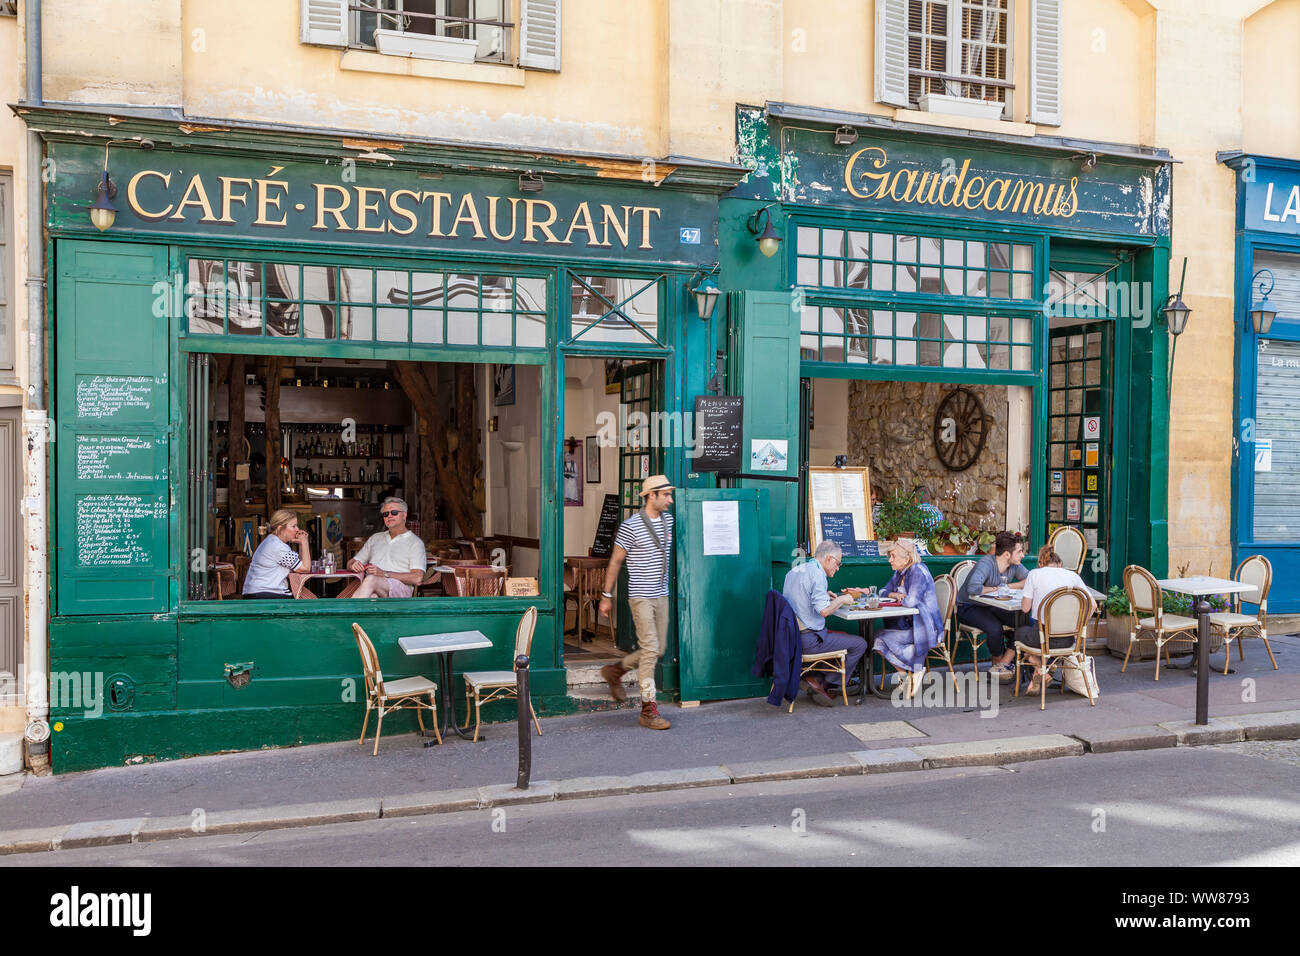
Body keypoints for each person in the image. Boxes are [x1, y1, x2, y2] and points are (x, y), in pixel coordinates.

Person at [598, 476, 676, 730]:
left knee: (659, 648)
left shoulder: (669, 521)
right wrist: (606, 596)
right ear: (651, 495)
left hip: (661, 593)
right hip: (640, 595)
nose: (670, 500)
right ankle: (648, 709)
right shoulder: (630, 527)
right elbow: (615, 562)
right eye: (665, 494)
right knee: (650, 648)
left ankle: (616, 671)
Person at [780, 540, 868, 706]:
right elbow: (824, 612)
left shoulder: (796, 570)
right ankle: (823, 684)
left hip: (791, 638)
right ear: (828, 559)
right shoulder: (818, 575)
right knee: (859, 644)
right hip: (809, 640)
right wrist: (842, 599)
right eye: (838, 562)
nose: (838, 567)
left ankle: (815, 678)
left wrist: (824, 596)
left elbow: (802, 597)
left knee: (841, 637)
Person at [1015, 546, 1096, 693]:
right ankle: (1041, 672)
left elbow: (1025, 609)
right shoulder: (1073, 576)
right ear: (1060, 564)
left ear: (1040, 564)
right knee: (1035, 633)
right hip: (1069, 639)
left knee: (1020, 633)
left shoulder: (1035, 574)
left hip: (1043, 638)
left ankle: (1040, 669)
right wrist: (1080, 626)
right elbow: (1093, 605)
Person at [874, 538, 945, 697]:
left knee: (879, 638)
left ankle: (916, 670)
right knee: (876, 638)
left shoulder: (918, 571)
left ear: (907, 558)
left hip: (926, 628)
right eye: (889, 556)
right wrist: (894, 594)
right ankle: (907, 675)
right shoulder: (900, 573)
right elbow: (882, 592)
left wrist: (900, 597)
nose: (890, 560)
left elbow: (911, 601)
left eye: (893, 556)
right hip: (910, 625)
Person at [956, 531, 1028, 680]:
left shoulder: (1014, 565)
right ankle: (997, 660)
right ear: (1007, 554)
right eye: (1019, 551)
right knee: (995, 628)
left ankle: (1003, 664)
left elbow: (1030, 580)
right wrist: (994, 589)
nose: (1022, 555)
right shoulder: (986, 563)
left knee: (1025, 622)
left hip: (993, 606)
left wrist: (1008, 587)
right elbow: (973, 588)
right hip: (968, 606)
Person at [345, 497, 427, 598]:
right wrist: (353, 565)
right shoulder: (376, 538)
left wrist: (384, 573)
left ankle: (349, 611)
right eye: (386, 514)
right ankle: (354, 612)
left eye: (394, 512)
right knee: (372, 596)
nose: (389, 516)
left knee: (371, 579)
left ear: (404, 515)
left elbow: (417, 578)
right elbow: (350, 563)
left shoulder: (415, 542)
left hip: (401, 591)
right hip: (374, 588)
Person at [242, 509, 311, 599]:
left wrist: (302, 543)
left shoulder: (272, 541)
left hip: (257, 592)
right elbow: (305, 569)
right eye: (293, 526)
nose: (297, 529)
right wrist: (305, 542)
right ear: (280, 528)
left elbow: (301, 567)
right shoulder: (278, 547)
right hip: (265, 594)